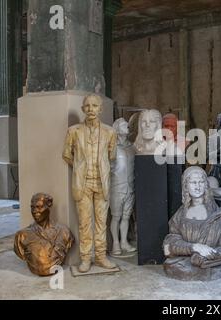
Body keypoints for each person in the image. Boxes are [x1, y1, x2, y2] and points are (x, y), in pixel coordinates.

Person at [62, 94, 118, 273]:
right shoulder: (74, 131)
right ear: (82, 109)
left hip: (102, 183)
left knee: (102, 222)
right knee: (84, 223)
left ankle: (101, 257)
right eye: (87, 106)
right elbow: (66, 154)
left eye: (95, 106)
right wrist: (79, 167)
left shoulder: (110, 132)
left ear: (100, 109)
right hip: (83, 184)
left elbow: (112, 155)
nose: (91, 109)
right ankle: (86, 258)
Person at [163, 166, 221, 281]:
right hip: (185, 260)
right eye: (193, 182)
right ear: (186, 186)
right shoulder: (180, 215)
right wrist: (194, 247)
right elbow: (167, 247)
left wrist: (210, 254)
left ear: (206, 185)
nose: (198, 186)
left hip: (208, 261)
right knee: (172, 264)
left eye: (201, 182)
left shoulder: (218, 216)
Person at [14, 193, 74, 276]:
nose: (35, 211)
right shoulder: (22, 235)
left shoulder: (64, 232)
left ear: (48, 207)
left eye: (39, 207)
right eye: (32, 207)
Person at [110, 118, 136, 256]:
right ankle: (115, 243)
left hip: (130, 187)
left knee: (126, 217)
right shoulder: (111, 147)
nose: (127, 126)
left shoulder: (132, 147)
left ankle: (124, 242)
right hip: (116, 187)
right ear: (117, 129)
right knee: (116, 217)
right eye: (124, 125)